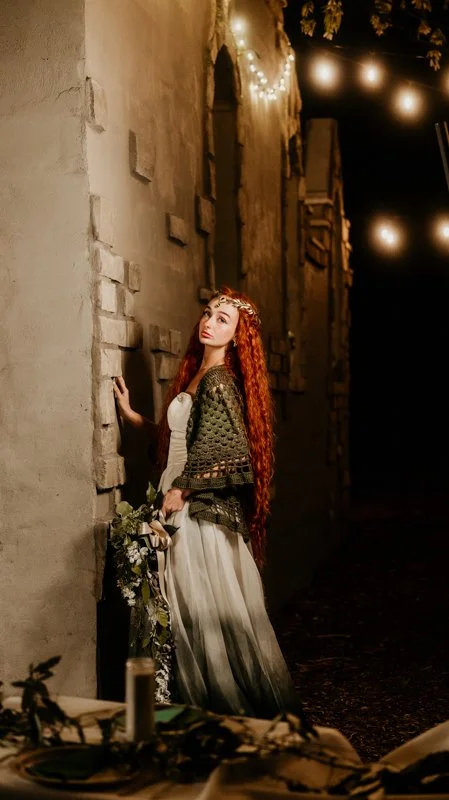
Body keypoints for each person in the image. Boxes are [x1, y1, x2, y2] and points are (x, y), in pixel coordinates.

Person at [114, 287, 297, 718]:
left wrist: (181, 490)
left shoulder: (218, 381)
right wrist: (132, 416)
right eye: (208, 313)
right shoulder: (198, 373)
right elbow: (177, 439)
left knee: (205, 618)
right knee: (184, 617)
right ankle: (187, 714)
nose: (209, 323)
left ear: (236, 336)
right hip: (177, 504)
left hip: (196, 515)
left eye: (222, 320)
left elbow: (231, 453)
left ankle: (223, 717)